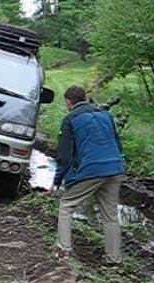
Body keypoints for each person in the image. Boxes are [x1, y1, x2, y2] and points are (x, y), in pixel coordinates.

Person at [48, 85, 126, 266]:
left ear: (68, 102)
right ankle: (114, 259)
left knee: (66, 205)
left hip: (92, 169)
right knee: (110, 215)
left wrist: (57, 181)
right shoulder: (106, 116)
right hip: (115, 168)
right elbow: (118, 145)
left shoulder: (70, 119)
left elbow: (65, 156)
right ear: (85, 98)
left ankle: (63, 251)